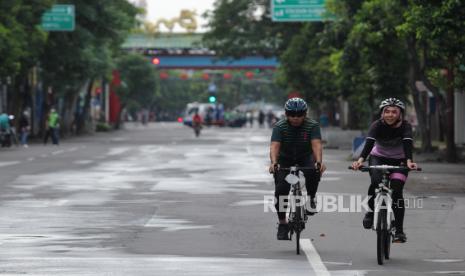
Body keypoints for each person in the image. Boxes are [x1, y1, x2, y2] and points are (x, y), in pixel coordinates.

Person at [351, 98, 418, 243]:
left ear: (400, 114)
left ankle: (399, 231)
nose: (390, 115)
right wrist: (360, 160)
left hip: (399, 160)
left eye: (394, 112)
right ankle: (370, 212)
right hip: (378, 158)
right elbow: (368, 144)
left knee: (397, 189)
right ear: (382, 113)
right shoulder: (376, 125)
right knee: (375, 182)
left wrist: (409, 162)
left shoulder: (405, 126)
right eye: (387, 111)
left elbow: (407, 143)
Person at [269, 98, 326, 240]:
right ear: (286, 114)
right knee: (281, 190)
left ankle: (311, 198)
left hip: (304, 157)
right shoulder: (279, 126)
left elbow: (316, 144)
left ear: (305, 114)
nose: (295, 118)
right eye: (292, 115)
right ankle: (283, 224)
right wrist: (274, 163)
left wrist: (319, 161)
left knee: (314, 170)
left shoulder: (312, 126)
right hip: (285, 158)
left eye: (299, 115)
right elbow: (274, 146)